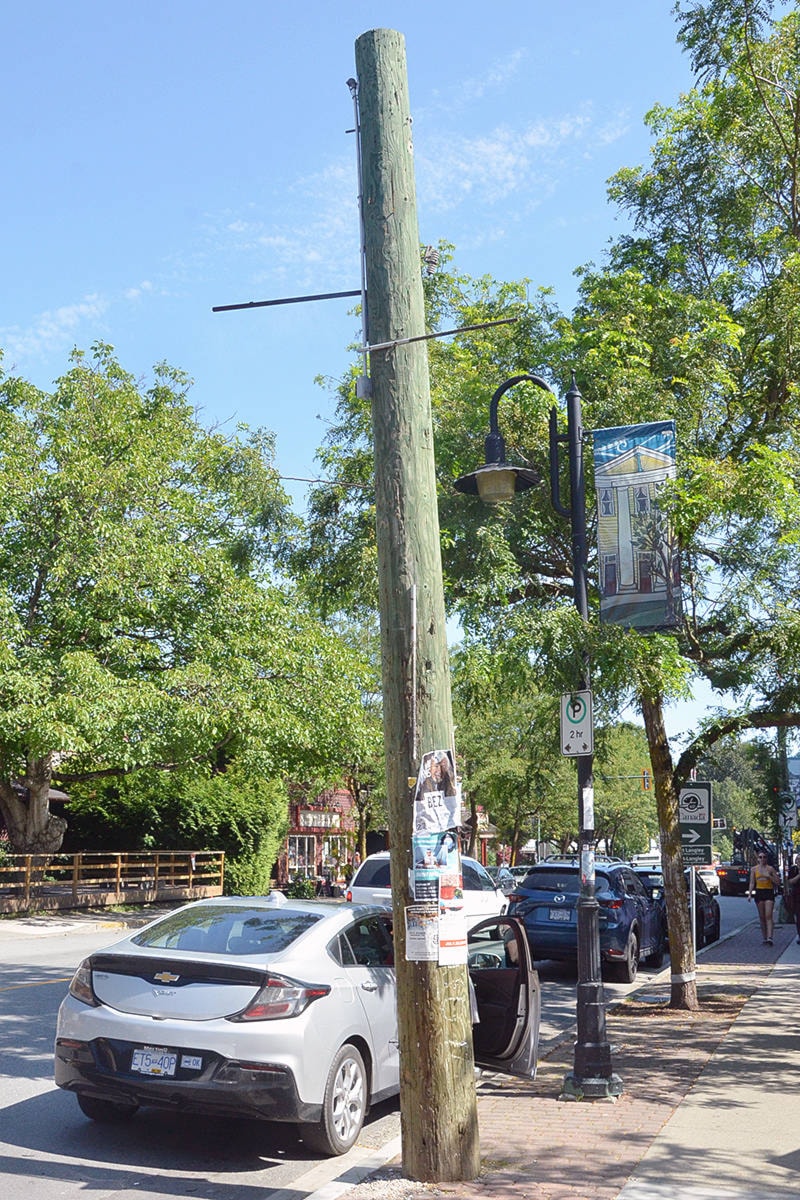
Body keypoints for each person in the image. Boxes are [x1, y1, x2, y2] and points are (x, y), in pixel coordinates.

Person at [747, 851, 781, 944]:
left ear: (766, 858)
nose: (762, 859)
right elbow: (752, 882)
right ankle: (765, 937)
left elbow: (778, 882)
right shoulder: (754, 869)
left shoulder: (770, 869)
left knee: (768, 915)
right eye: (760, 857)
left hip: (769, 892)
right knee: (762, 916)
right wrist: (750, 894)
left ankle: (770, 937)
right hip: (759, 892)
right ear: (758, 859)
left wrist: (769, 876)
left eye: (764, 857)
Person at [786, 853, 800, 945]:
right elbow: (790, 881)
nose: (799, 861)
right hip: (797, 896)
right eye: (798, 859)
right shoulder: (793, 869)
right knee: (799, 916)